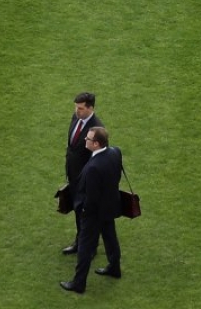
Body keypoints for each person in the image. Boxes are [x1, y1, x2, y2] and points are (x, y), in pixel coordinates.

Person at [61, 126, 124, 293]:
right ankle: (115, 268)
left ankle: (78, 283)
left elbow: (91, 197)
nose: (84, 141)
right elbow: (116, 177)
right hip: (110, 206)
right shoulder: (115, 152)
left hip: (94, 213)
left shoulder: (94, 167)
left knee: (85, 246)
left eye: (88, 139)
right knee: (110, 238)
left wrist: (83, 212)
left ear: (96, 144)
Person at [60, 92, 104, 255]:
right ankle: (80, 241)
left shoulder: (97, 129)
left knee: (88, 214)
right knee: (78, 211)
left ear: (90, 108)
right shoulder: (76, 118)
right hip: (74, 176)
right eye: (76, 108)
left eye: (80, 108)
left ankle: (90, 247)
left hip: (87, 180)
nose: (77, 111)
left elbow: (98, 159)